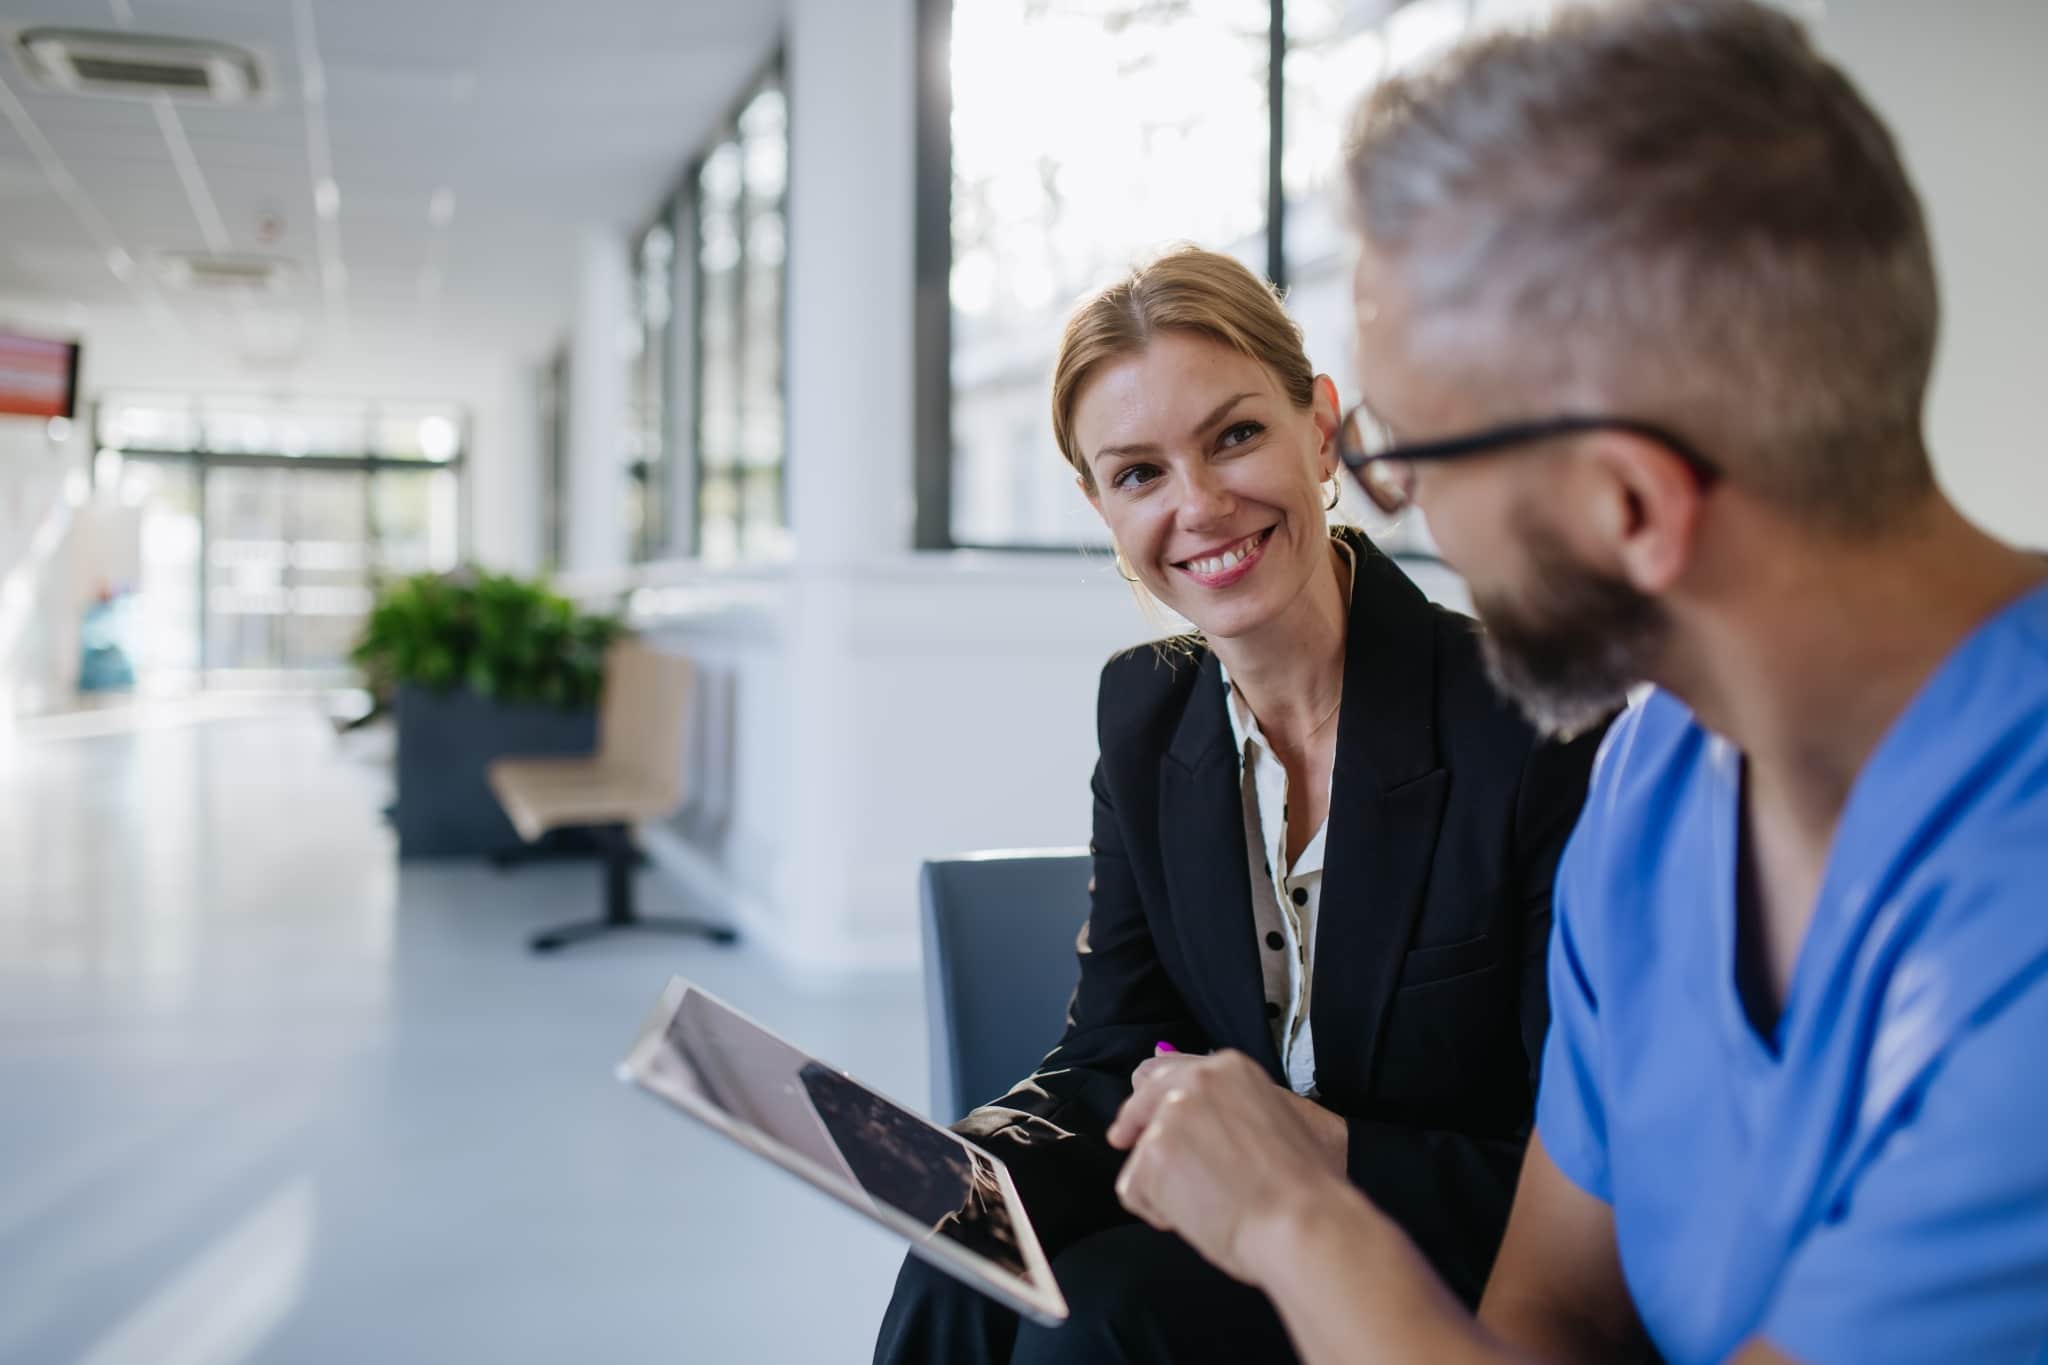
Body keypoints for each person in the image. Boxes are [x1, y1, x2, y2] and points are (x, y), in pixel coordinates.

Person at [1103, 4, 2048, 1363]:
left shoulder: (2017, 927)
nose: (1404, 507)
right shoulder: (1660, 773)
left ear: (1629, 504)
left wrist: (1298, 1223)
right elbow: (1555, 1309)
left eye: (1407, 454)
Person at [874, 246, 1604, 1365]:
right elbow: (1118, 1043)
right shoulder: (1145, 712)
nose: (1199, 506)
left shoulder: (1531, 727)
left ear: (1318, 427)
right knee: (962, 1254)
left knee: (1100, 1320)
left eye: (1234, 436)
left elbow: (1582, 1169)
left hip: (1459, 1267)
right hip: (1230, 1222)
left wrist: (1321, 1148)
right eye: (1138, 475)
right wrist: (965, 1165)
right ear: (1098, 505)